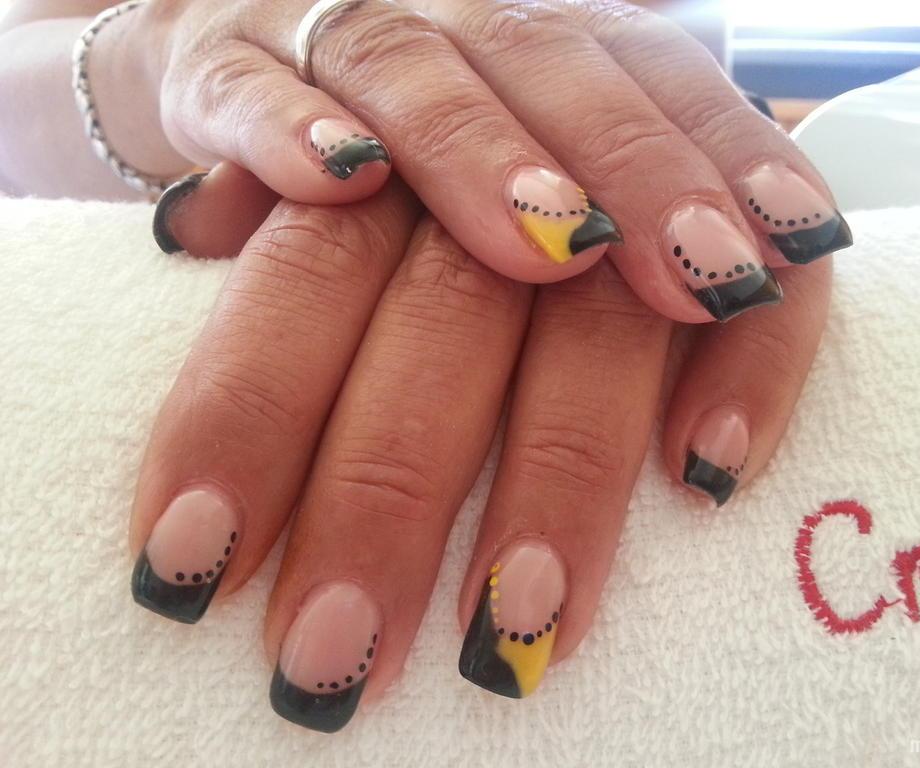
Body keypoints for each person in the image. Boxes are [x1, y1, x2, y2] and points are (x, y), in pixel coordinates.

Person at [0, 0, 847, 733]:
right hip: (267, 174)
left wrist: (674, 149)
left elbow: (650, 45)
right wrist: (174, 44)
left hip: (578, 223)